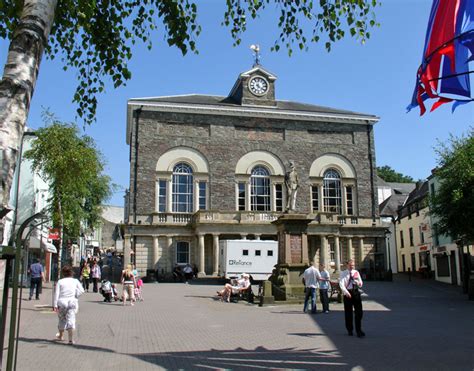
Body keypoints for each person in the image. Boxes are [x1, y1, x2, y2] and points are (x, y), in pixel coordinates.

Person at [53, 265, 84, 345]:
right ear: (72, 273)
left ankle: (61, 335)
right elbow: (82, 291)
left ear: (63, 273)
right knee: (71, 320)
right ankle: (70, 340)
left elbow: (56, 294)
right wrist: (75, 295)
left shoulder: (60, 281)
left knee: (61, 319)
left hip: (62, 302)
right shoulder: (75, 281)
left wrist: (55, 305)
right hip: (72, 302)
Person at [339, 259, 365, 338]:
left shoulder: (356, 272)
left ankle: (359, 330)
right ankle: (350, 330)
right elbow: (341, 284)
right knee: (348, 313)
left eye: (353, 265)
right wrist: (346, 292)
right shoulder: (343, 273)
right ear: (347, 265)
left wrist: (358, 283)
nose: (352, 267)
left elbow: (361, 283)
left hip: (356, 292)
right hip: (348, 293)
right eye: (350, 265)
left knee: (359, 312)